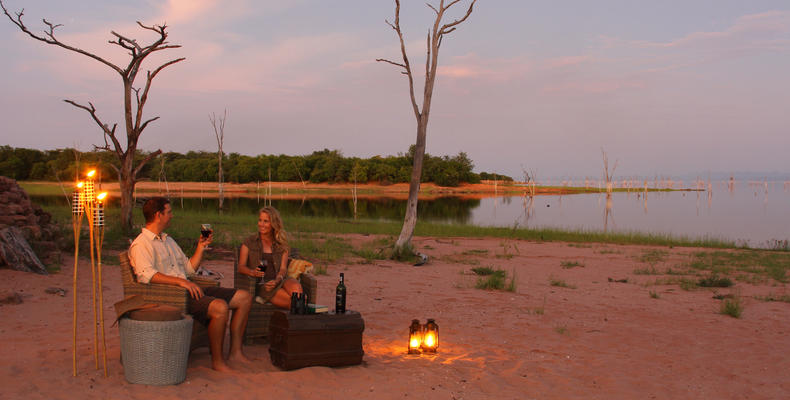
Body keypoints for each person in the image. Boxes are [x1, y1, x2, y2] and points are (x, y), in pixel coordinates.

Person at [128, 197, 252, 372]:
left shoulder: (168, 240)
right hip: (173, 295)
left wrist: (200, 247)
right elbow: (145, 275)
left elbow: (189, 269)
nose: (172, 215)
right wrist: (180, 282)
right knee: (220, 307)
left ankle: (235, 352)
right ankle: (218, 362)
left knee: (244, 298)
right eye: (169, 212)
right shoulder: (141, 244)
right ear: (158, 215)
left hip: (189, 287)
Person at [237, 206, 303, 308]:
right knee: (295, 303)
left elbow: (283, 269)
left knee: (298, 292)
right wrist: (252, 272)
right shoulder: (249, 242)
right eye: (260, 220)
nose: (261, 224)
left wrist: (277, 280)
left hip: (280, 280)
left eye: (266, 221)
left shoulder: (281, 245)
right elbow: (240, 267)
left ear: (273, 224)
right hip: (265, 285)